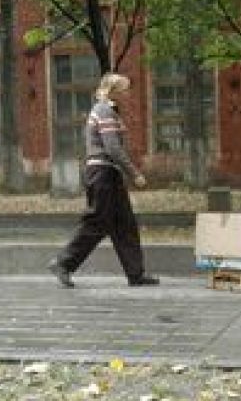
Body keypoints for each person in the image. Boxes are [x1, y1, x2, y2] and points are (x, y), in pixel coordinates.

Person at [48, 72, 159, 288]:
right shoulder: (104, 111)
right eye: (124, 89)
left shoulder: (109, 111)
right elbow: (113, 148)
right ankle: (63, 263)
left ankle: (135, 274)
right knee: (97, 222)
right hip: (102, 173)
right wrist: (134, 173)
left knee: (124, 224)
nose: (127, 94)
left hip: (109, 173)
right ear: (113, 91)